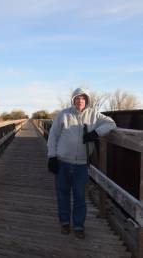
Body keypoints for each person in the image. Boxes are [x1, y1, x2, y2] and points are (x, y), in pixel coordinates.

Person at [47, 87, 116, 239]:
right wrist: (51, 156)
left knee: (79, 196)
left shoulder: (94, 115)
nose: (80, 101)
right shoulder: (63, 115)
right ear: (73, 100)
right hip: (62, 162)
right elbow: (52, 136)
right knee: (62, 194)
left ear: (87, 100)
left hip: (81, 165)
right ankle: (65, 223)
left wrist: (95, 133)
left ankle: (78, 226)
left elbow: (111, 124)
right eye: (77, 98)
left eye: (83, 98)